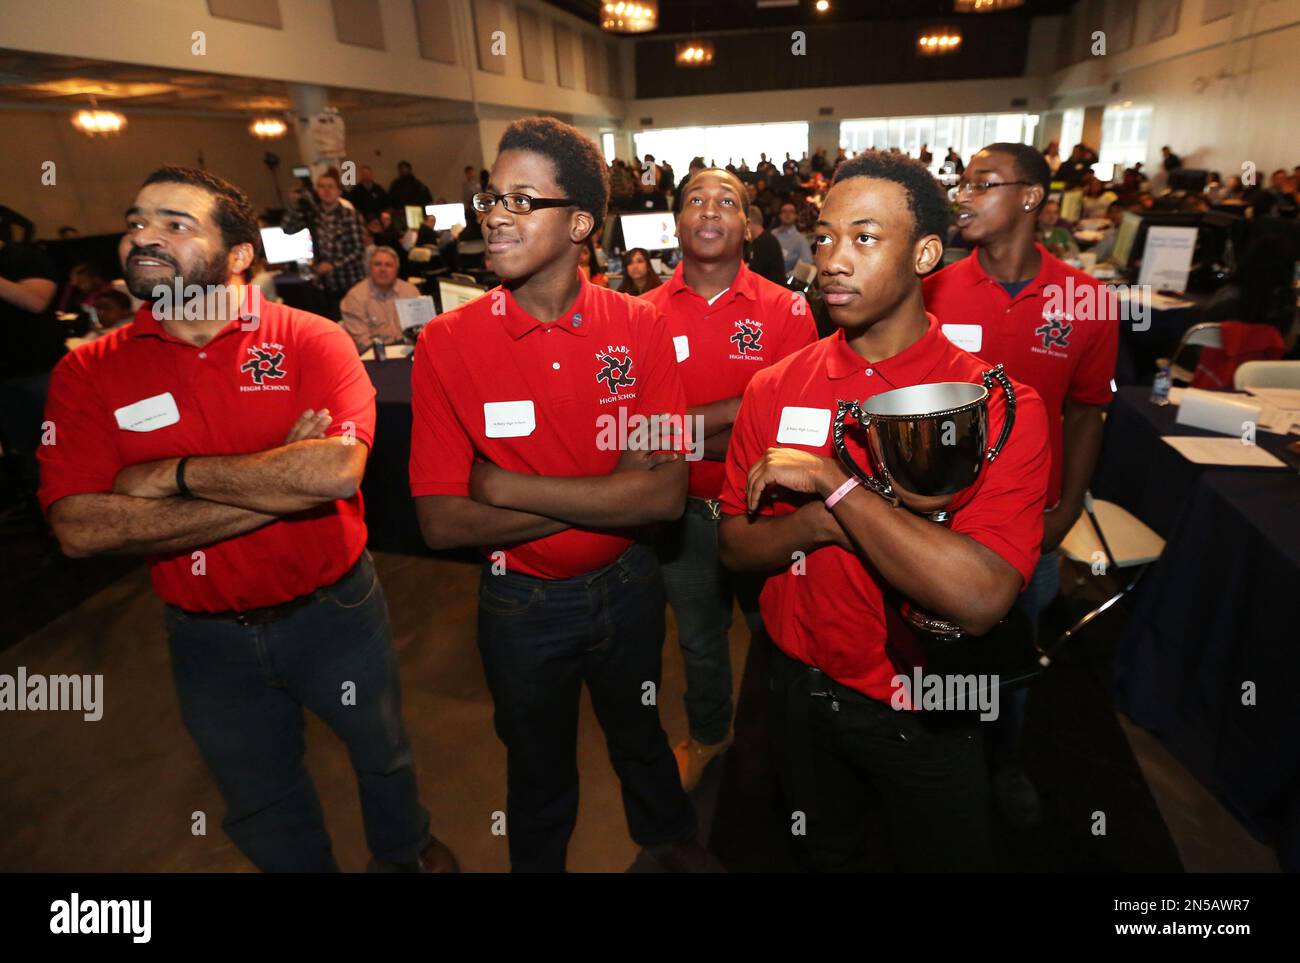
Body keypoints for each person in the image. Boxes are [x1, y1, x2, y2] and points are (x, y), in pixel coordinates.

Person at [37, 165, 455, 873]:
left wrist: (172, 477)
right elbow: (81, 528)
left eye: (176, 223)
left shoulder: (313, 339)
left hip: (336, 611)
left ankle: (405, 854)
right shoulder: (85, 373)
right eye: (137, 220)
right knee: (259, 794)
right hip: (206, 637)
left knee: (382, 755)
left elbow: (333, 473)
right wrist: (276, 474)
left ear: (238, 255)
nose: (144, 237)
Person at [718, 149, 1049, 871]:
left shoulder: (998, 400)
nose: (834, 258)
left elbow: (981, 595)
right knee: (822, 852)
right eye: (826, 235)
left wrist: (835, 486)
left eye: (865, 237)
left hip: (925, 704)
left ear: (927, 252)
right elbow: (735, 546)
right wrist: (816, 522)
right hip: (798, 691)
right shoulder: (775, 386)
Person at [409, 117, 718, 873]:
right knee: (538, 768)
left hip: (629, 587)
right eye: (490, 197)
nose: (494, 214)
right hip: (521, 606)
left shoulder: (641, 328)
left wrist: (508, 484)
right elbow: (443, 520)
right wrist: (613, 490)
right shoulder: (448, 343)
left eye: (522, 199)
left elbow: (666, 495)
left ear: (580, 222)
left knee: (642, 737)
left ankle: (670, 846)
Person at [923, 143, 1118, 828]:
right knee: (932, 649)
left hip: (1031, 524)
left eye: (983, 184)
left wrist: (1065, 512)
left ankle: (1003, 763)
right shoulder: (934, 288)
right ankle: (934, 764)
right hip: (935, 517)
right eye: (962, 182)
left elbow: (1088, 408)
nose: (963, 194)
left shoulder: (1086, 298)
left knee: (1013, 657)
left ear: (1032, 197)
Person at [643, 166, 817, 791]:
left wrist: (685, 428)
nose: (710, 211)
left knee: (783, 636)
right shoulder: (641, 316)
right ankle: (711, 735)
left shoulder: (788, 309)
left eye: (727, 202)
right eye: (695, 200)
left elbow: (790, 425)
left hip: (767, 507)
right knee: (697, 640)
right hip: (683, 512)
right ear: (677, 221)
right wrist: (742, 414)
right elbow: (638, 432)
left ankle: (793, 743)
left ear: (749, 224)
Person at [0, 233, 62, 511]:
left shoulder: (24, 258)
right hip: (5, 378)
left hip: (41, 370)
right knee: (27, 453)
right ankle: (51, 516)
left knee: (62, 443)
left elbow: (36, 302)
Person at [282, 168, 367, 319]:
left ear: (339, 191)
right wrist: (295, 205)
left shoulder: (350, 215)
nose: (326, 191)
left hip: (348, 281)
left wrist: (333, 264)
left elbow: (358, 249)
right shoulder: (313, 214)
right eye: (321, 186)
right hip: (322, 284)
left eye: (330, 186)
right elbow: (288, 229)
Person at [340, 246, 420, 353]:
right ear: (369, 268)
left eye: (388, 265)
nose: (383, 269)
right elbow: (362, 343)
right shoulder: (355, 297)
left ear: (397, 270)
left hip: (409, 349)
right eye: (377, 264)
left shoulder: (411, 291)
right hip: (376, 354)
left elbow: (421, 329)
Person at [745, 206, 786, 284]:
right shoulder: (762, 240)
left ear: (748, 223)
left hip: (770, 292)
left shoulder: (765, 243)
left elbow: (753, 274)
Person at [771, 201, 813, 275]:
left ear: (796, 216)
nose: (788, 214)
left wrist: (792, 274)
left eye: (791, 212)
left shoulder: (801, 239)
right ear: (780, 215)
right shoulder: (773, 234)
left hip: (785, 279)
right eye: (784, 211)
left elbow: (807, 263)